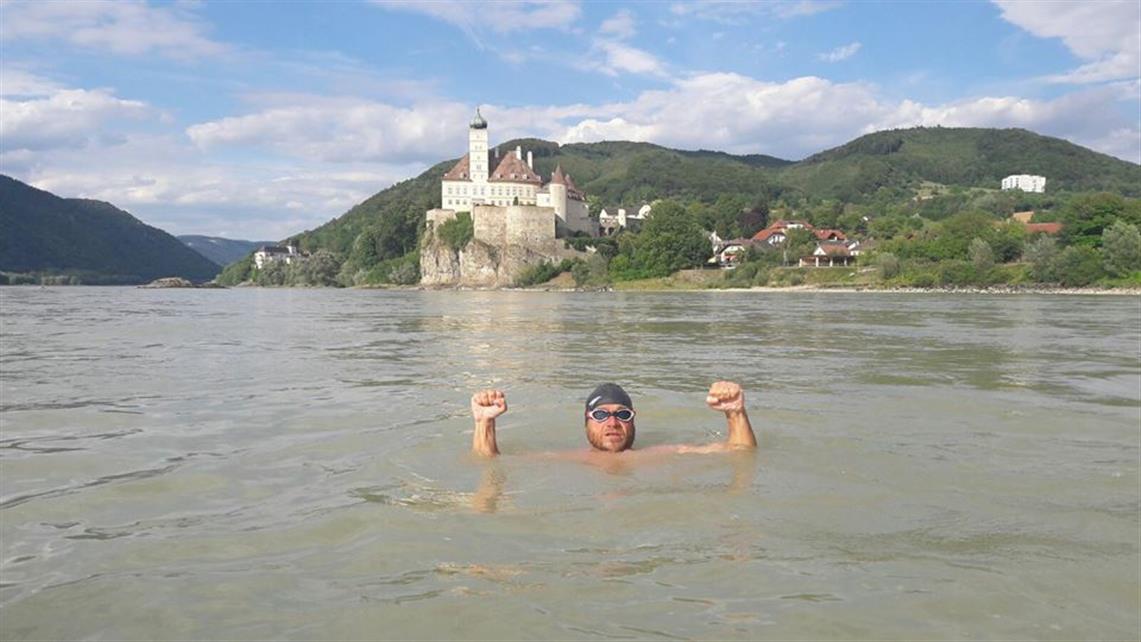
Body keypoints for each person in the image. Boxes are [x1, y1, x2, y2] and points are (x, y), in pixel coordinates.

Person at [469, 381, 756, 458]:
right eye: (601, 415)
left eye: (622, 414)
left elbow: (741, 453)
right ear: (586, 421)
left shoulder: (663, 454)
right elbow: (489, 463)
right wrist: (484, 423)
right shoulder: (564, 460)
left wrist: (735, 413)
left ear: (633, 421)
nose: (612, 422)